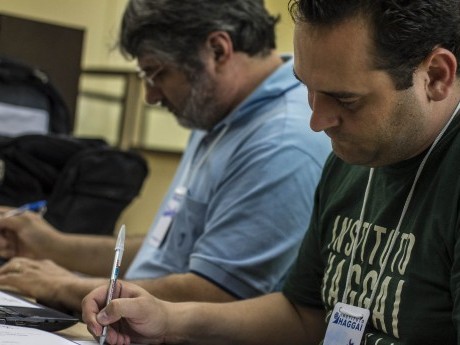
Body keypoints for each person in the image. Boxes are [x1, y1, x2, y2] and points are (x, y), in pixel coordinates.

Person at [81, 0, 460, 344]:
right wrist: (167, 318)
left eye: (345, 99)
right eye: (308, 88)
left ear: (437, 76)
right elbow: (302, 315)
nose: (317, 121)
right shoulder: (348, 161)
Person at [0, 0, 330, 313]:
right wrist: (53, 245)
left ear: (217, 50)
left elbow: (216, 295)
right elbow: (168, 251)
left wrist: (69, 287)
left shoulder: (281, 143)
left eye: (157, 73)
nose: (150, 95)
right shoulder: (216, 115)